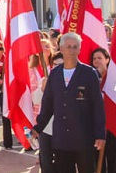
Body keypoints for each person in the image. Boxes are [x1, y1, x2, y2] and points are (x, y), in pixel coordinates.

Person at [33, 32, 105, 173]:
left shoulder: (89, 73)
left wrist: (100, 135)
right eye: (68, 47)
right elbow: (48, 105)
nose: (71, 51)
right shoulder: (54, 74)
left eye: (74, 47)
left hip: (83, 138)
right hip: (61, 139)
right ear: (61, 48)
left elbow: (97, 106)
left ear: (79, 49)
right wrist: (38, 127)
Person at [34, 51, 63, 173]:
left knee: (62, 163)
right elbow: (35, 100)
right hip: (46, 129)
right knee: (46, 163)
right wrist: (42, 89)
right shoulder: (45, 80)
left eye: (61, 64)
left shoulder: (72, 81)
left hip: (63, 129)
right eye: (55, 64)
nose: (57, 67)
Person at [91, 47, 115, 173]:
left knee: (113, 159)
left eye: (100, 58)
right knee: (97, 161)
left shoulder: (113, 79)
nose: (96, 61)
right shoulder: (90, 77)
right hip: (96, 127)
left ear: (107, 60)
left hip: (111, 126)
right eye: (94, 58)